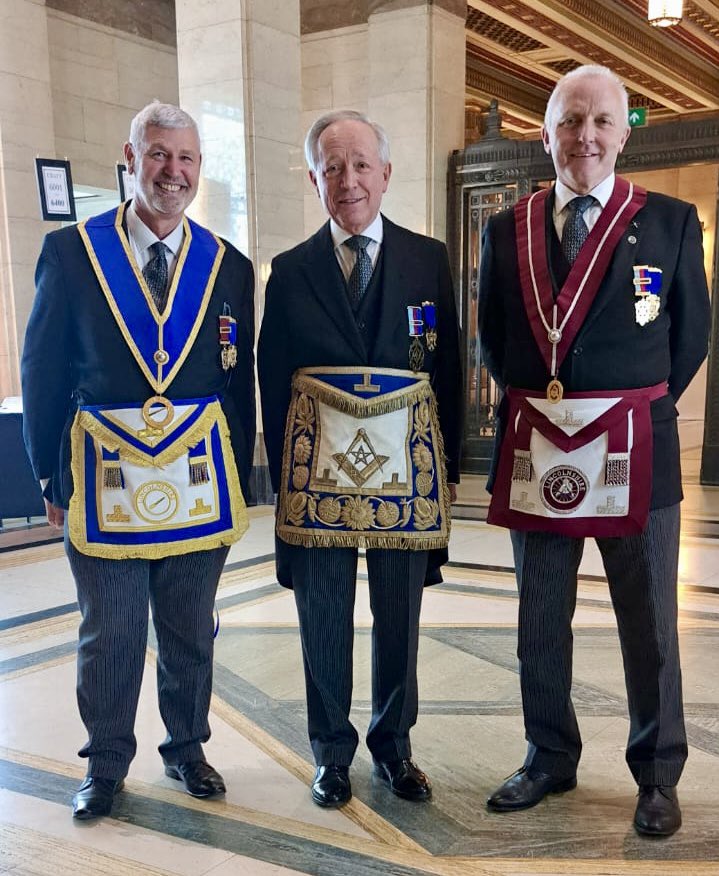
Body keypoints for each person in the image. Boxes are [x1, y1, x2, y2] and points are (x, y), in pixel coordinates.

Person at [478, 65, 710, 837]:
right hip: (539, 449)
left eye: (601, 121)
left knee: (648, 622)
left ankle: (655, 772)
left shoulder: (673, 223)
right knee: (539, 617)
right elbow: (492, 336)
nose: (585, 136)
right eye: (570, 120)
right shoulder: (504, 227)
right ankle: (547, 754)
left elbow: (692, 333)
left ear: (623, 132)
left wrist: (634, 411)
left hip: (635, 450)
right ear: (543, 134)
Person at [21, 102, 255, 820]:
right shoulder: (72, 252)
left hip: (196, 480)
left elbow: (233, 378)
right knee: (111, 630)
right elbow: (42, 369)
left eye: (185, 158)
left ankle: (186, 748)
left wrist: (239, 479)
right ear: (130, 157)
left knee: (190, 627)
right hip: (103, 479)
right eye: (158, 155)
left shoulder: (228, 265)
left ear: (199, 169)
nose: (172, 172)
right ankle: (105, 764)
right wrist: (50, 476)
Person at [258, 109, 462, 808]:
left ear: (386, 173)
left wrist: (451, 468)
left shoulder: (426, 258)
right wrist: (283, 487)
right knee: (323, 616)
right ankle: (330, 754)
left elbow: (451, 368)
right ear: (314, 179)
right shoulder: (288, 272)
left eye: (361, 165)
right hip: (317, 485)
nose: (349, 181)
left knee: (399, 616)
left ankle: (393, 747)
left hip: (407, 479)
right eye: (332, 168)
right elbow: (271, 377)